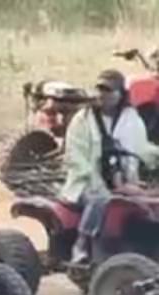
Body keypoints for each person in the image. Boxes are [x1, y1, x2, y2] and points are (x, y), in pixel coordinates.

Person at [60, 70, 156, 263]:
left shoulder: (131, 118)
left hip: (123, 180)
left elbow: (142, 149)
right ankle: (82, 243)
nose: (102, 95)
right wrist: (99, 184)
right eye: (100, 89)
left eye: (109, 90)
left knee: (148, 201)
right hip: (86, 182)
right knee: (100, 198)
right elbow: (76, 158)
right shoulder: (82, 120)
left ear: (121, 94)